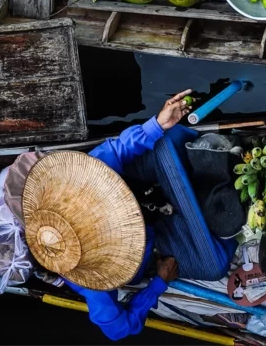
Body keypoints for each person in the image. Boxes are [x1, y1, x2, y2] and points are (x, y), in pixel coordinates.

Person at [22, 89, 194, 341]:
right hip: (148, 245)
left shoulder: (78, 182)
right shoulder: (93, 283)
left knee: (167, 142)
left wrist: (159, 123)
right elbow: (118, 329)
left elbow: (117, 149)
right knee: (212, 266)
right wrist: (159, 282)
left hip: (140, 200)